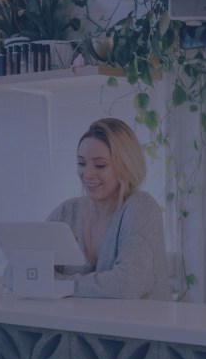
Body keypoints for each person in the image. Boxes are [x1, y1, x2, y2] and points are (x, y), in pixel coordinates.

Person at [47, 118, 171, 300]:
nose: (87, 174)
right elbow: (17, 271)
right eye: (81, 163)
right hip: (80, 326)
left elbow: (127, 284)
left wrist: (57, 284)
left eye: (100, 165)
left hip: (133, 327)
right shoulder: (67, 212)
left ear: (126, 165)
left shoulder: (141, 207)